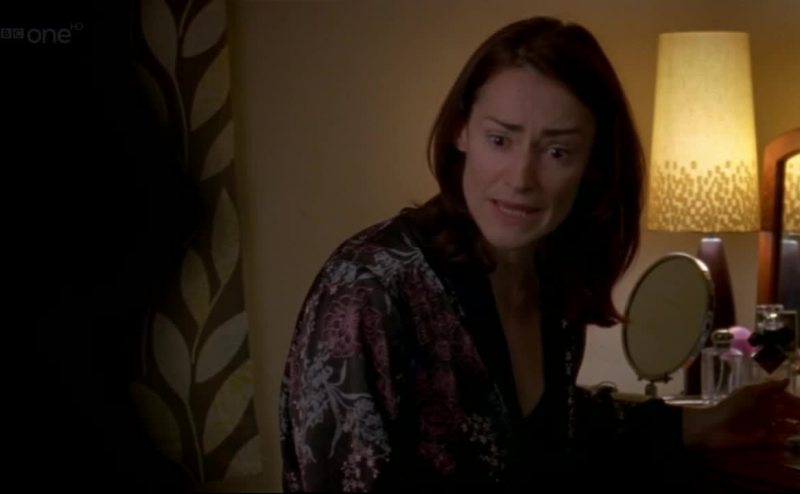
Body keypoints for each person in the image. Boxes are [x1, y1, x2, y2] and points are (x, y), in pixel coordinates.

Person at [278, 16, 800, 491]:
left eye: (557, 151)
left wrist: (691, 424)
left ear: (593, 162)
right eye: (500, 140)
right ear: (461, 130)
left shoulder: (551, 273)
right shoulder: (367, 291)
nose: (521, 179)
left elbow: (556, 435)